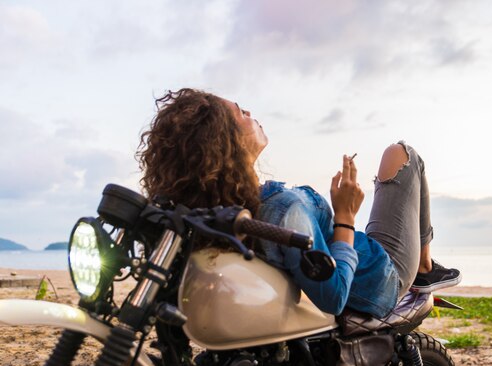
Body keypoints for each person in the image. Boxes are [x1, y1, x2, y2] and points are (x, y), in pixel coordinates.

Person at [137, 88, 460, 318]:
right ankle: (423, 267)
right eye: (240, 112)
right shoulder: (283, 207)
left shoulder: (224, 210)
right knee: (402, 154)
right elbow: (332, 295)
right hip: (382, 276)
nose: (250, 113)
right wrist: (345, 214)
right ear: (223, 140)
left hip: (358, 264)